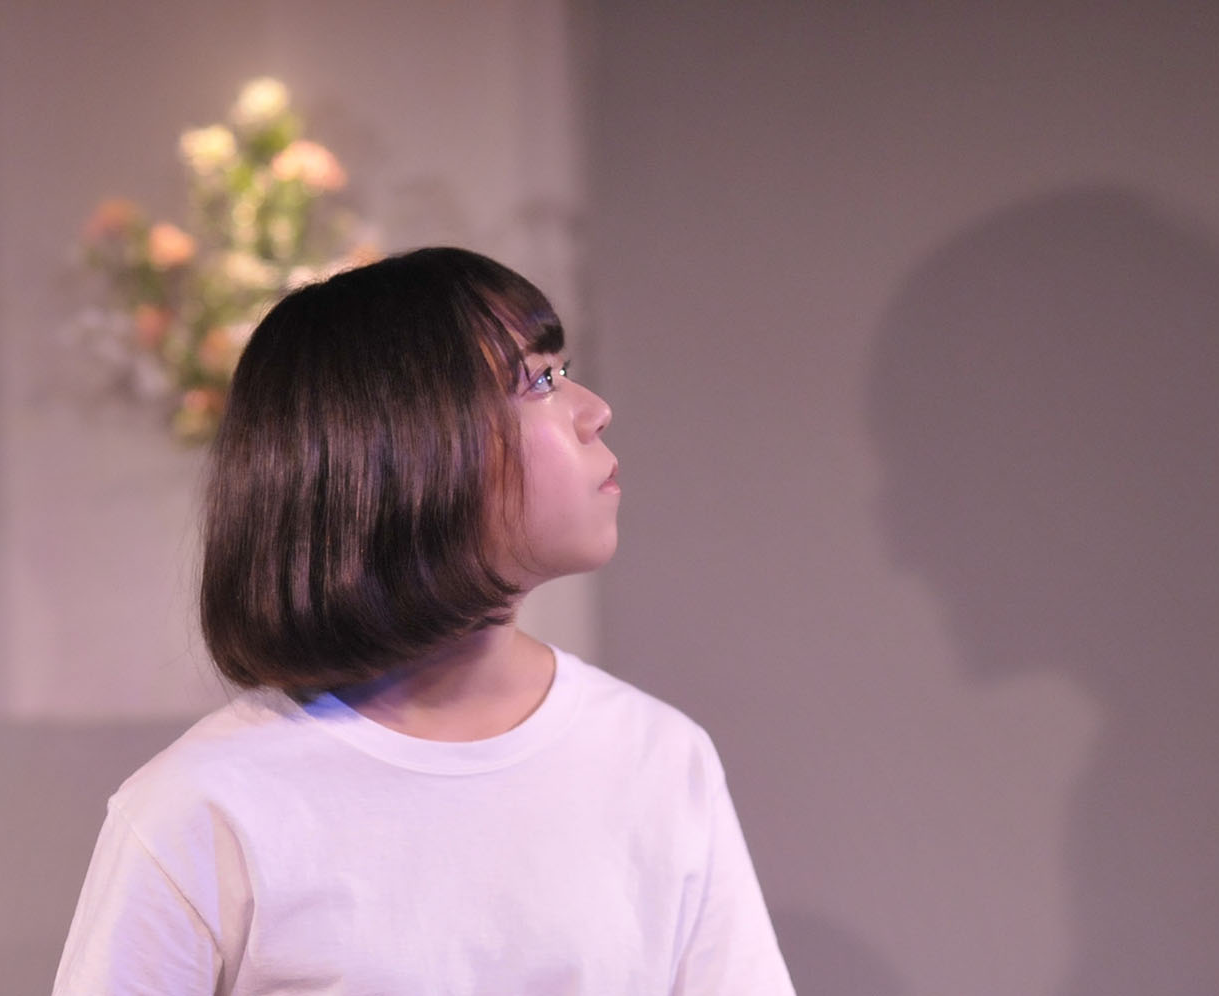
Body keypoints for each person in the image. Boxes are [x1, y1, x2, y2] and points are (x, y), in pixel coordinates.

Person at [51, 247, 794, 994]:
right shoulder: (205, 807)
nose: (594, 409)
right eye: (539, 380)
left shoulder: (657, 758)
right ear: (402, 451)